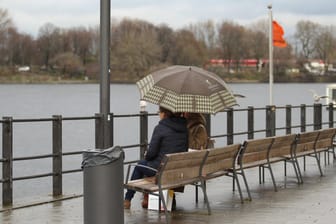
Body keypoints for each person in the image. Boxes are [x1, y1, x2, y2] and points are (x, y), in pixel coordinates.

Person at [124, 106, 188, 209]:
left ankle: (127, 199)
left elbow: (151, 154)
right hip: (177, 170)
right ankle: (168, 200)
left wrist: (147, 155)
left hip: (161, 170)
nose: (159, 114)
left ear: (164, 113)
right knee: (146, 165)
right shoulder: (184, 128)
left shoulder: (160, 128)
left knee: (139, 165)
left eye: (159, 112)